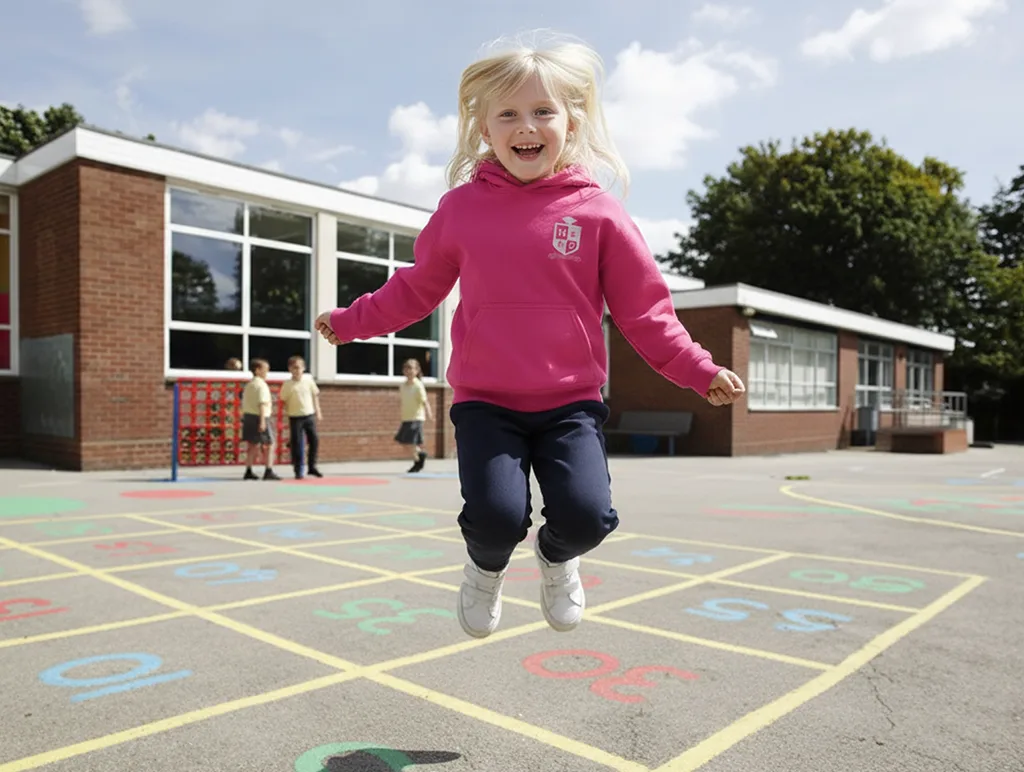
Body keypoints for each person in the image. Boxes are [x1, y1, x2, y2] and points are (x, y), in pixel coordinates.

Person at [314, 32, 745, 639]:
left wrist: (699, 369)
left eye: (544, 111)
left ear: (572, 123)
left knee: (590, 517)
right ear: (485, 130)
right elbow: (415, 287)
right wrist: (353, 320)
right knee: (495, 518)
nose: (528, 125)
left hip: (571, 403)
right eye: (509, 113)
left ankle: (555, 556)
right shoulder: (461, 210)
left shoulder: (598, 214)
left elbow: (646, 313)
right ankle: (484, 570)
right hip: (486, 401)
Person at [280, 355, 323, 479]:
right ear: (290, 369)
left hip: (309, 415)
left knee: (314, 440)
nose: (297, 370)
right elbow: (283, 401)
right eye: (294, 368)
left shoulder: (308, 381)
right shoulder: (288, 384)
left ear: (303, 368)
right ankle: (298, 469)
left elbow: (315, 396)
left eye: (299, 368)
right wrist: (284, 415)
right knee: (297, 443)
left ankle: (312, 466)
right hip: (295, 416)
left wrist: (318, 411)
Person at [240, 358, 281, 481]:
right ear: (257, 370)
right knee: (270, 443)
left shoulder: (249, 385)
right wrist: (263, 421)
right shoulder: (261, 385)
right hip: (261, 416)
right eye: (265, 370)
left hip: (248, 416)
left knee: (252, 445)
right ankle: (268, 470)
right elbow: (262, 404)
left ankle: (248, 470)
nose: (267, 372)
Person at [396, 357, 434, 473]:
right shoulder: (402, 386)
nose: (409, 371)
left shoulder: (418, 385)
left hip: (416, 417)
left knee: (411, 441)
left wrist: (429, 414)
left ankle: (418, 460)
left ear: (417, 371)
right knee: (404, 441)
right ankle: (419, 457)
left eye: (411, 368)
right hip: (406, 417)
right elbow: (402, 401)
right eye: (406, 368)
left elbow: (425, 401)